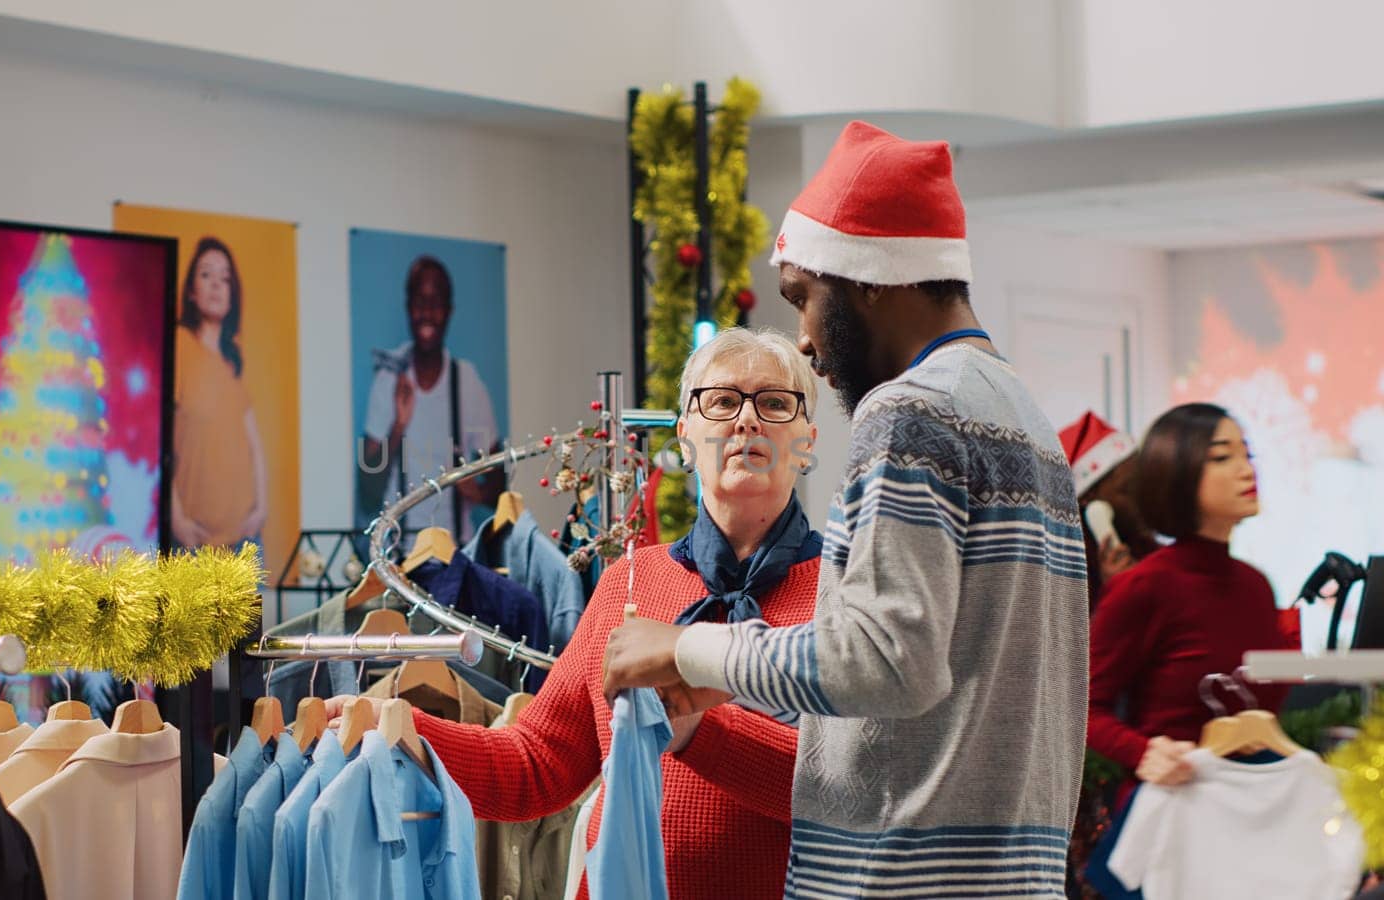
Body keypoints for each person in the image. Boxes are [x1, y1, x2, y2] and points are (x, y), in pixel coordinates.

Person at [602, 121, 1088, 898]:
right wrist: (745, 683)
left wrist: (688, 651)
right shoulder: (1027, 421)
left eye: (804, 298)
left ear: (867, 278)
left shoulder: (909, 411)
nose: (806, 340)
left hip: (894, 881)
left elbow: (887, 660)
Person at [333, 327, 824, 899]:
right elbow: (537, 766)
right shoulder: (629, 583)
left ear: (807, 440)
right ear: (686, 438)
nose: (746, 421)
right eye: (721, 401)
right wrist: (404, 730)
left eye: (773, 402)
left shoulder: (845, 598)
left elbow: (859, 792)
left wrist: (698, 729)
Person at [1086, 403, 1298, 796]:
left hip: (1250, 803)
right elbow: (1082, 707)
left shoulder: (1256, 586)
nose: (1246, 470)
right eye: (1221, 457)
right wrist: (1143, 752)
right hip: (1172, 809)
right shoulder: (1145, 586)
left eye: (1247, 453)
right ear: (1177, 471)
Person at [359, 256, 502, 541]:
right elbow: (367, 491)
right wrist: (398, 426)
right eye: (419, 302)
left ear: (449, 311)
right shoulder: (388, 381)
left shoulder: (467, 382)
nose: (427, 313)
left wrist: (479, 491)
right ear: (408, 308)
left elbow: (500, 484)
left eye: (436, 302)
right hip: (398, 558)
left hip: (455, 557)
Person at [171, 237, 269, 550]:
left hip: (244, 542)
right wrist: (176, 519)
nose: (216, 284)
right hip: (194, 543)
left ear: (233, 295)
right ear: (190, 290)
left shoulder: (232, 361)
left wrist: (261, 509)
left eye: (225, 278)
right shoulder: (179, 344)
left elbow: (254, 446)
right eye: (206, 274)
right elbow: (156, 440)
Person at [1060, 410, 1160, 607]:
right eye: (1128, 489)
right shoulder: (1066, 570)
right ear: (1089, 500)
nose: (1144, 499)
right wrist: (1113, 594)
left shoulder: (1149, 551)